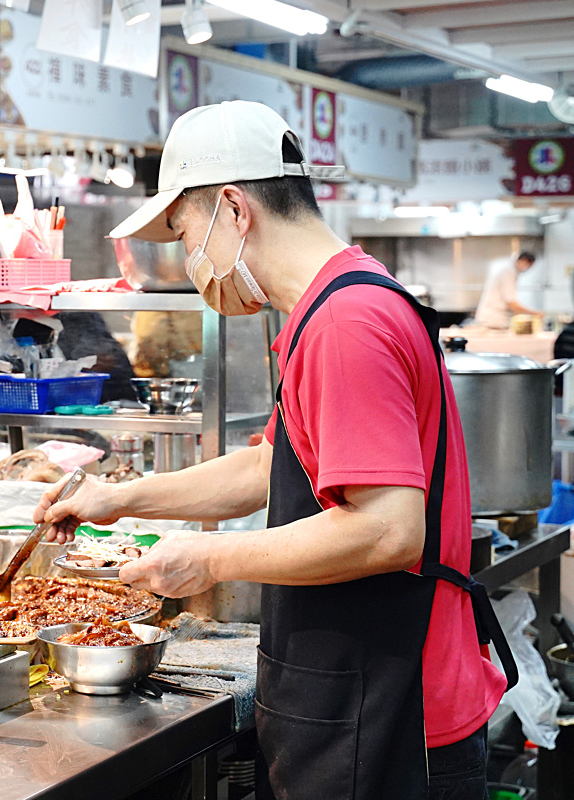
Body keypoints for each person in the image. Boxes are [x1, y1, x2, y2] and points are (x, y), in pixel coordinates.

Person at [33, 101, 513, 800]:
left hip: (390, 720)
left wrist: (206, 557)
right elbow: (269, 466)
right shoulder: (334, 305)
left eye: (185, 230)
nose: (190, 258)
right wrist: (119, 498)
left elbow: (386, 529)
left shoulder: (347, 323)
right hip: (357, 701)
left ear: (234, 209)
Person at [473, 251, 539, 329]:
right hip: (492, 320)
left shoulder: (509, 271)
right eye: (529, 265)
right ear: (523, 260)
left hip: (495, 319)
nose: (527, 269)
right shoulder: (508, 273)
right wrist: (534, 314)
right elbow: (511, 303)